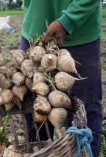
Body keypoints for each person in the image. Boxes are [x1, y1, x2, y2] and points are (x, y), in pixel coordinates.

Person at [20, 1, 102, 157]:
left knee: (84, 112)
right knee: (34, 110)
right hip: (34, 31)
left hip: (80, 33)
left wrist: (68, 21)